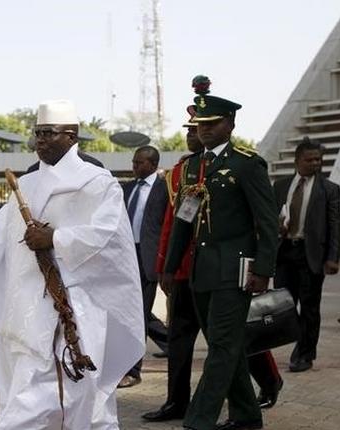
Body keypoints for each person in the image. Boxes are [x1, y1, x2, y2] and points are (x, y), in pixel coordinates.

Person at [0, 100, 145, 430]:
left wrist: (56, 238)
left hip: (75, 312)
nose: (40, 140)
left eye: (48, 133)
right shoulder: (26, 185)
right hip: (24, 310)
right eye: (37, 133)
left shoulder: (97, 183)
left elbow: (108, 240)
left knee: (79, 400)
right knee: (26, 392)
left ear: (70, 135)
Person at [163, 85, 278, 430]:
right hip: (201, 271)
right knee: (223, 346)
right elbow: (184, 220)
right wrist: (169, 269)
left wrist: (264, 268)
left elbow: (268, 221)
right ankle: (246, 414)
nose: (205, 129)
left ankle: (198, 420)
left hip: (235, 270)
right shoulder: (190, 169)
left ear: (230, 123)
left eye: (212, 123)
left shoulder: (246, 164)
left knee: (222, 348)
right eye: (200, 124)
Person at [142, 108, 203, 421]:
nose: (190, 136)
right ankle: (176, 402)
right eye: (189, 130)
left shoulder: (233, 166)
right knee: (178, 342)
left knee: (235, 340)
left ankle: (269, 380)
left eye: (196, 130)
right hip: (182, 271)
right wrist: (165, 265)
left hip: (216, 271)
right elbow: (171, 223)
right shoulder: (181, 170)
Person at [276, 137, 340, 372]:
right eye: (309, 159)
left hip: (311, 254)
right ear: (297, 161)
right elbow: (269, 218)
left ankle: (305, 354)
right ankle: (299, 343)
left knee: (310, 308)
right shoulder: (281, 186)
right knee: (284, 305)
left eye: (318, 160)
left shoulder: (329, 189)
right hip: (284, 253)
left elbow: (335, 224)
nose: (315, 163)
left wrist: (332, 257)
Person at [119, 145, 169, 389]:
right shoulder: (127, 188)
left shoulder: (164, 189)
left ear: (152, 164)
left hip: (148, 259)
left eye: (139, 163)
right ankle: (171, 343)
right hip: (126, 256)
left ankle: (133, 370)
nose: (134, 166)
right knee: (135, 311)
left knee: (137, 315)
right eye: (133, 162)